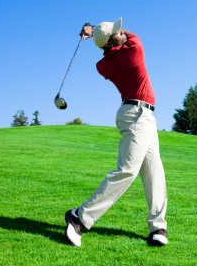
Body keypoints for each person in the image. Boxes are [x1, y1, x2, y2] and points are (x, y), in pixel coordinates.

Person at [65, 18, 168, 247]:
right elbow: (132, 35)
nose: (121, 30)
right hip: (136, 116)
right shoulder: (134, 49)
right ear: (113, 43)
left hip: (144, 117)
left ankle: (157, 227)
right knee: (127, 171)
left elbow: (108, 51)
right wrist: (95, 33)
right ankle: (79, 217)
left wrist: (95, 35)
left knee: (154, 172)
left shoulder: (103, 65)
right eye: (116, 31)